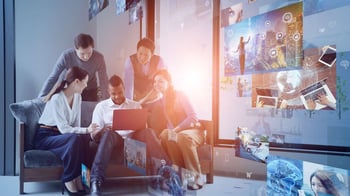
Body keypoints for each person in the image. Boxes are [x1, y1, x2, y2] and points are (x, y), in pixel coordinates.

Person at [89, 75, 170, 196]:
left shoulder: (135, 105)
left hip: (133, 142)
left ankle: (167, 171)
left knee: (148, 132)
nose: (117, 96)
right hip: (114, 142)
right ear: (108, 92)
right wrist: (103, 130)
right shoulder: (101, 107)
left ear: (124, 89)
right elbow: (93, 135)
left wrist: (139, 126)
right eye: (113, 93)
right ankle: (96, 180)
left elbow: (145, 130)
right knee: (109, 134)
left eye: (120, 92)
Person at [34, 66, 100, 196]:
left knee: (83, 138)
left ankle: (83, 178)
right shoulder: (57, 99)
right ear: (76, 82)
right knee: (75, 138)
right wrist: (87, 129)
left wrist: (87, 132)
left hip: (63, 136)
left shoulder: (78, 98)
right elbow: (64, 128)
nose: (86, 85)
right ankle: (69, 178)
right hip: (46, 136)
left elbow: (76, 125)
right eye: (85, 82)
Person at [143, 69, 205, 190]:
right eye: (155, 82)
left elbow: (193, 117)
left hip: (194, 131)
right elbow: (142, 105)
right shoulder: (161, 101)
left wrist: (176, 129)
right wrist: (149, 94)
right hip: (177, 133)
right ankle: (179, 175)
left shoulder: (179, 94)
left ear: (169, 82)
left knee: (180, 136)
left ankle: (197, 178)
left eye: (160, 81)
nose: (156, 84)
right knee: (165, 134)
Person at [38, 33, 109, 101]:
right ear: (75, 49)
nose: (86, 56)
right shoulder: (66, 56)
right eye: (82, 53)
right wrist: (41, 97)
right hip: (71, 90)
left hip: (90, 90)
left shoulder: (99, 58)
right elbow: (53, 77)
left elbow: (104, 81)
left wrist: (106, 101)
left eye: (89, 52)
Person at [124, 37, 167, 101]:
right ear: (137, 51)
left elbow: (163, 84)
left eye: (146, 55)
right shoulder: (130, 61)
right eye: (140, 54)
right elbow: (128, 86)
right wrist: (129, 104)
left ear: (152, 54)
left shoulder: (159, 61)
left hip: (154, 97)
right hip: (136, 97)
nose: (142, 58)